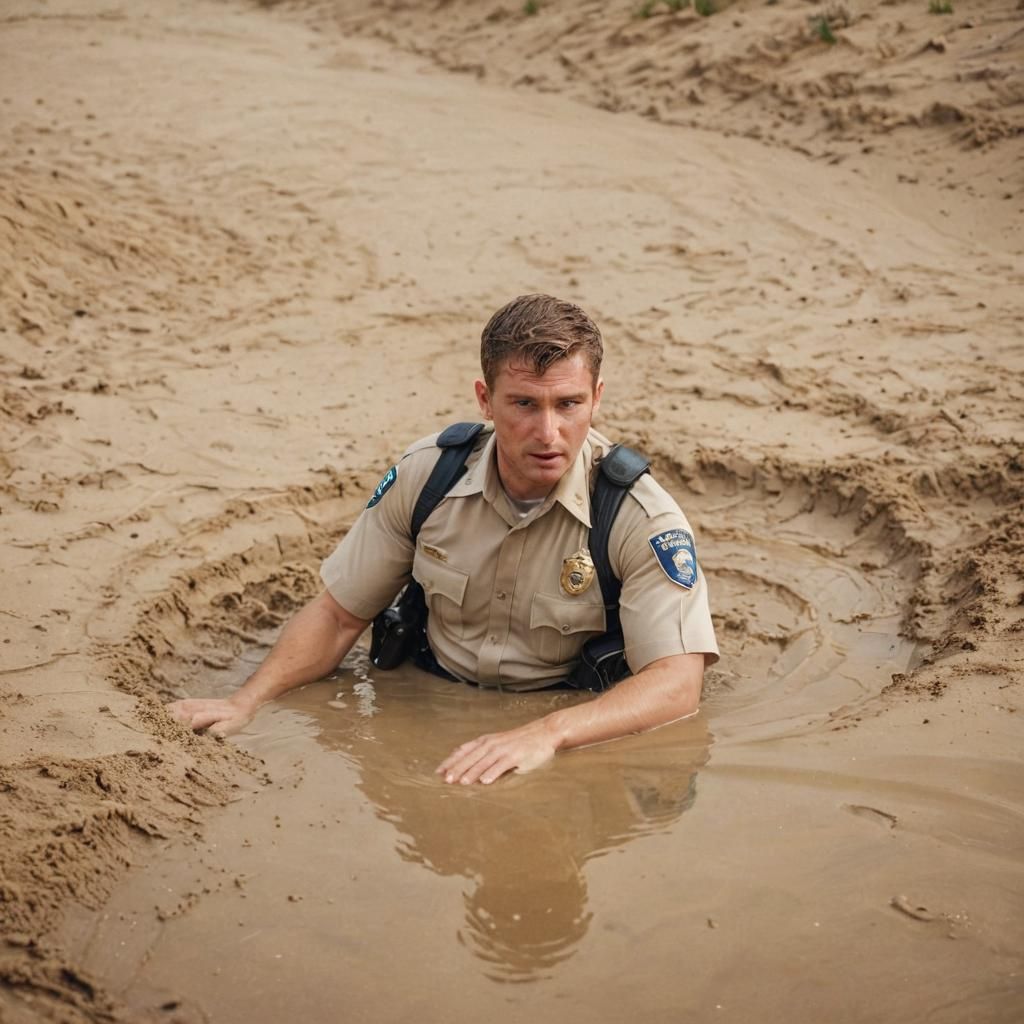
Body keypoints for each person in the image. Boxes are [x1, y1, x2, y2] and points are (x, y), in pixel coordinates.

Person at [169, 294, 719, 785]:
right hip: (428, 695)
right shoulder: (428, 477)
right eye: (524, 404)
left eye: (568, 404)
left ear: (596, 398)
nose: (548, 433)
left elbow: (675, 684)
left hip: (567, 717)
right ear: (485, 399)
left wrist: (548, 733)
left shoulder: (638, 515)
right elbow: (340, 616)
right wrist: (246, 700)